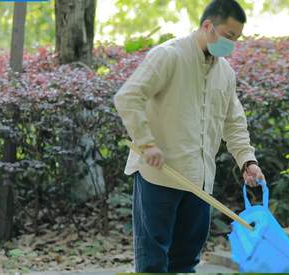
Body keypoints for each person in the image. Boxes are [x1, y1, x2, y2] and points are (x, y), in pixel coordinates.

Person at [113, 0, 265, 272]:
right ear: (208, 26)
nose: (231, 44)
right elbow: (128, 97)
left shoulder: (226, 73)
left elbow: (234, 123)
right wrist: (147, 144)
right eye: (229, 36)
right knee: (153, 262)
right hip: (158, 177)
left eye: (236, 39)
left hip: (200, 182)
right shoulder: (169, 55)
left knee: (185, 263)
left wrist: (247, 161)